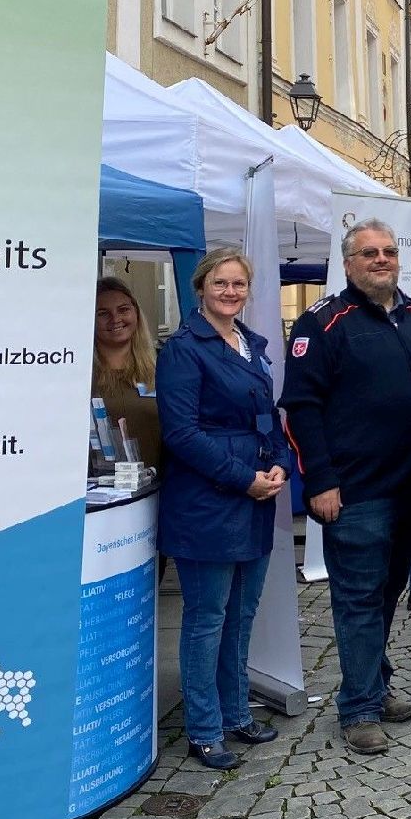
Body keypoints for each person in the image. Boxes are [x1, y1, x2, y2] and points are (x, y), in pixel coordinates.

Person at [281, 220, 411, 755]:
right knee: (356, 599)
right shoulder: (321, 324)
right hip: (354, 494)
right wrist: (319, 482)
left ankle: (375, 681)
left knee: (385, 595)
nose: (381, 260)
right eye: (368, 253)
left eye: (389, 252)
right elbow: (300, 410)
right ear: (347, 263)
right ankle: (359, 708)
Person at [156, 249, 289, 769]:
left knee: (241, 615)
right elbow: (182, 433)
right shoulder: (185, 349)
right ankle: (204, 729)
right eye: (220, 283)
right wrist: (243, 479)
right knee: (207, 618)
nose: (230, 291)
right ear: (201, 288)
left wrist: (278, 464)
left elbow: (267, 417)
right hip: (209, 502)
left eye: (238, 284)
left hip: (255, 496)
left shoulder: (248, 345)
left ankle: (236, 713)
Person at [93, 276, 163, 474]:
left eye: (123, 309)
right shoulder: (80, 376)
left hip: (158, 491)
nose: (115, 319)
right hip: (98, 495)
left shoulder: (164, 370)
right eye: (102, 313)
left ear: (137, 313)